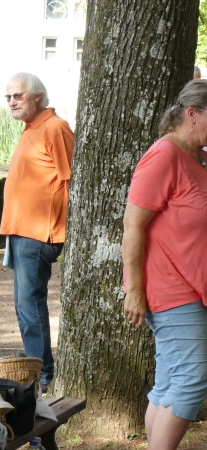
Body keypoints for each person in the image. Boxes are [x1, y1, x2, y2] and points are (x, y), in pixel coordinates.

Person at [122, 79, 207, 450]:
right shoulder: (164, 155)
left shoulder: (196, 157)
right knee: (191, 381)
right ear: (193, 114)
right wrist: (134, 291)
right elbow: (132, 225)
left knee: (171, 381)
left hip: (191, 286)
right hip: (170, 288)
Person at [0, 73, 74, 393]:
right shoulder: (31, 128)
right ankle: (38, 370)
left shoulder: (55, 127)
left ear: (38, 97)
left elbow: (71, 180)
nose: (12, 102)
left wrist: (60, 230)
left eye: (18, 96)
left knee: (29, 304)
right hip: (21, 231)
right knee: (24, 305)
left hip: (39, 233)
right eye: (8, 97)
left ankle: (42, 375)